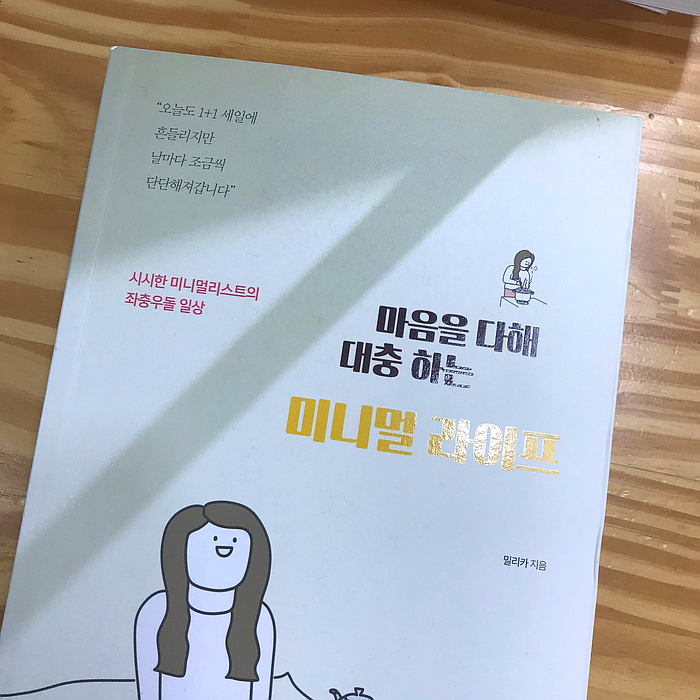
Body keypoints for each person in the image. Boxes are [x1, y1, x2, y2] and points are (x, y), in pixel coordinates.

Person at [134, 501, 275, 700]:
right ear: (180, 550)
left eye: (236, 541)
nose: (224, 548)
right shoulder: (157, 609)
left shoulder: (259, 617)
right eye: (213, 539)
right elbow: (146, 690)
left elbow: (262, 693)